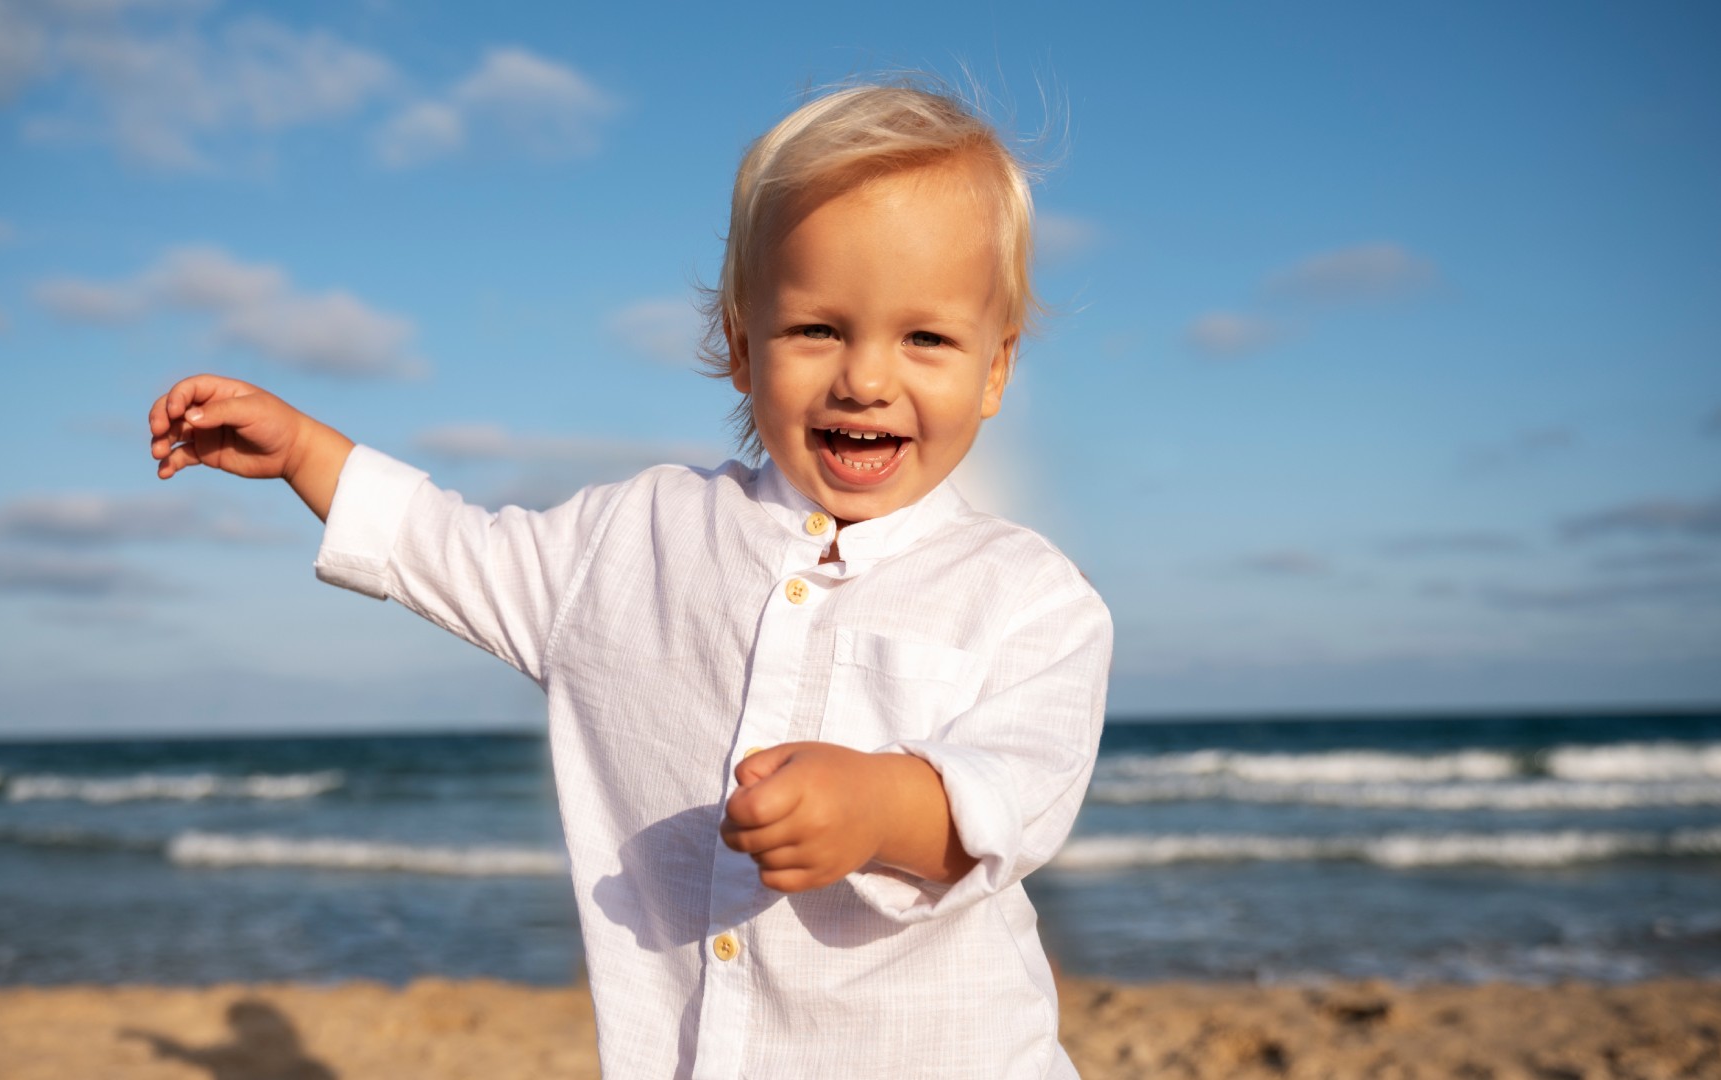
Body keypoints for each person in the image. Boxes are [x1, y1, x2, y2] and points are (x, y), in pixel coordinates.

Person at [148, 81, 1113, 1080]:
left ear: (995, 371)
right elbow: (448, 547)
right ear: (742, 346)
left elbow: (1008, 799)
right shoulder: (635, 536)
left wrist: (880, 806)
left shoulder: (1030, 598)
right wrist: (308, 449)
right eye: (817, 329)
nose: (866, 378)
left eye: (926, 338)